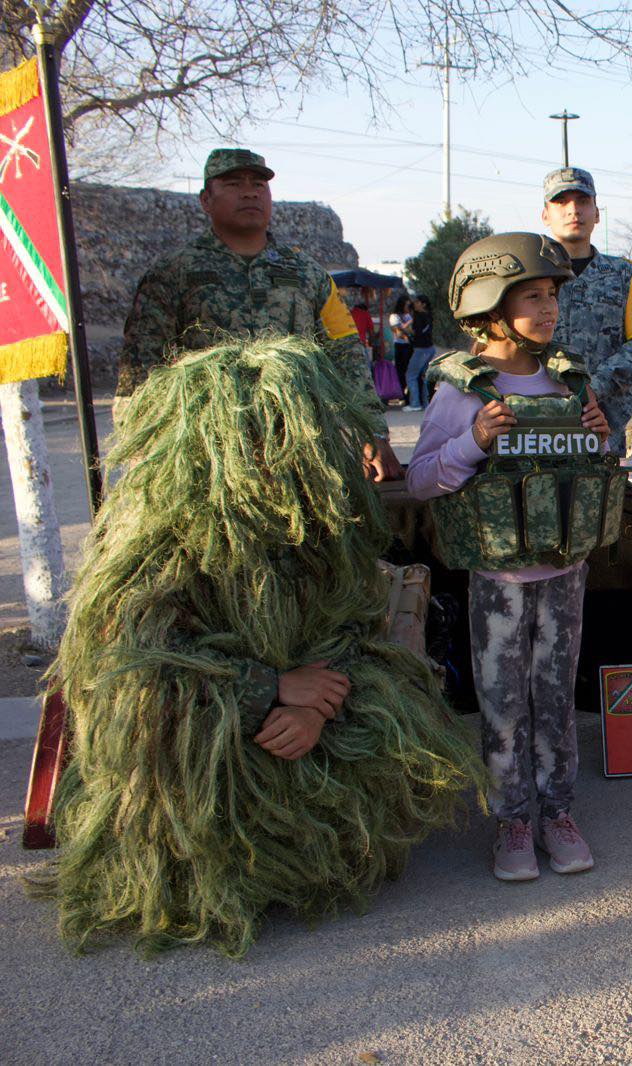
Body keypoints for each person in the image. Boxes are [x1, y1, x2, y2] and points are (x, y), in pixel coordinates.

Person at [39, 335, 479, 956]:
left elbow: (353, 624)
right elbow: (128, 672)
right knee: (155, 722)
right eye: (256, 438)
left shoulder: (314, 522)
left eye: (289, 435)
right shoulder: (155, 544)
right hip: (205, 723)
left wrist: (316, 701)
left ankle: (310, 843)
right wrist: (266, 690)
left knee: (400, 704)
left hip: (304, 695)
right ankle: (218, 863)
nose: (276, 455)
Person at [407, 233, 615, 882]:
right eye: (533, 296)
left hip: (564, 576)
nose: (549, 308)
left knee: (554, 700)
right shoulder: (463, 391)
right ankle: (514, 821)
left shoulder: (570, 382)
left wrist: (602, 441)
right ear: (489, 307)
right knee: (503, 704)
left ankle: (557, 812)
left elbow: (591, 473)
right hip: (499, 581)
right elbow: (421, 481)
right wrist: (472, 440)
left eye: (552, 294)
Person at [116, 148, 399, 480]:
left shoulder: (307, 273)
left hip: (299, 453)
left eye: (259, 185)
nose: (250, 192)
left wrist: (372, 432)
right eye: (234, 184)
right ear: (206, 200)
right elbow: (141, 370)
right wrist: (139, 448)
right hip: (206, 460)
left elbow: (345, 352)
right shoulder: (173, 273)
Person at [541, 167, 632, 454]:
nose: (573, 210)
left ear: (596, 213)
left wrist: (594, 387)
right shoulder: (530, 277)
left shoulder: (625, 274)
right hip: (542, 422)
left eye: (582, 201)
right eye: (562, 202)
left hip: (612, 429)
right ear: (545, 215)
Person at [405, 295, 438, 410]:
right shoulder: (428, 315)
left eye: (417, 302)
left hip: (421, 349)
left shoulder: (420, 317)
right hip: (429, 348)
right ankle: (427, 404)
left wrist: (406, 330)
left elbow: (417, 332)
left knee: (411, 375)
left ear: (423, 304)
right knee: (425, 377)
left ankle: (415, 404)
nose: (415, 303)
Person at [392, 296, 415, 394]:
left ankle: (408, 392)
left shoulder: (408, 316)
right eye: (407, 305)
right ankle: (401, 391)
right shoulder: (394, 316)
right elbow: (399, 332)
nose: (408, 307)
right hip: (400, 345)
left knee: (409, 369)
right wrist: (407, 327)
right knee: (400, 370)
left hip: (409, 345)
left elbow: (411, 331)